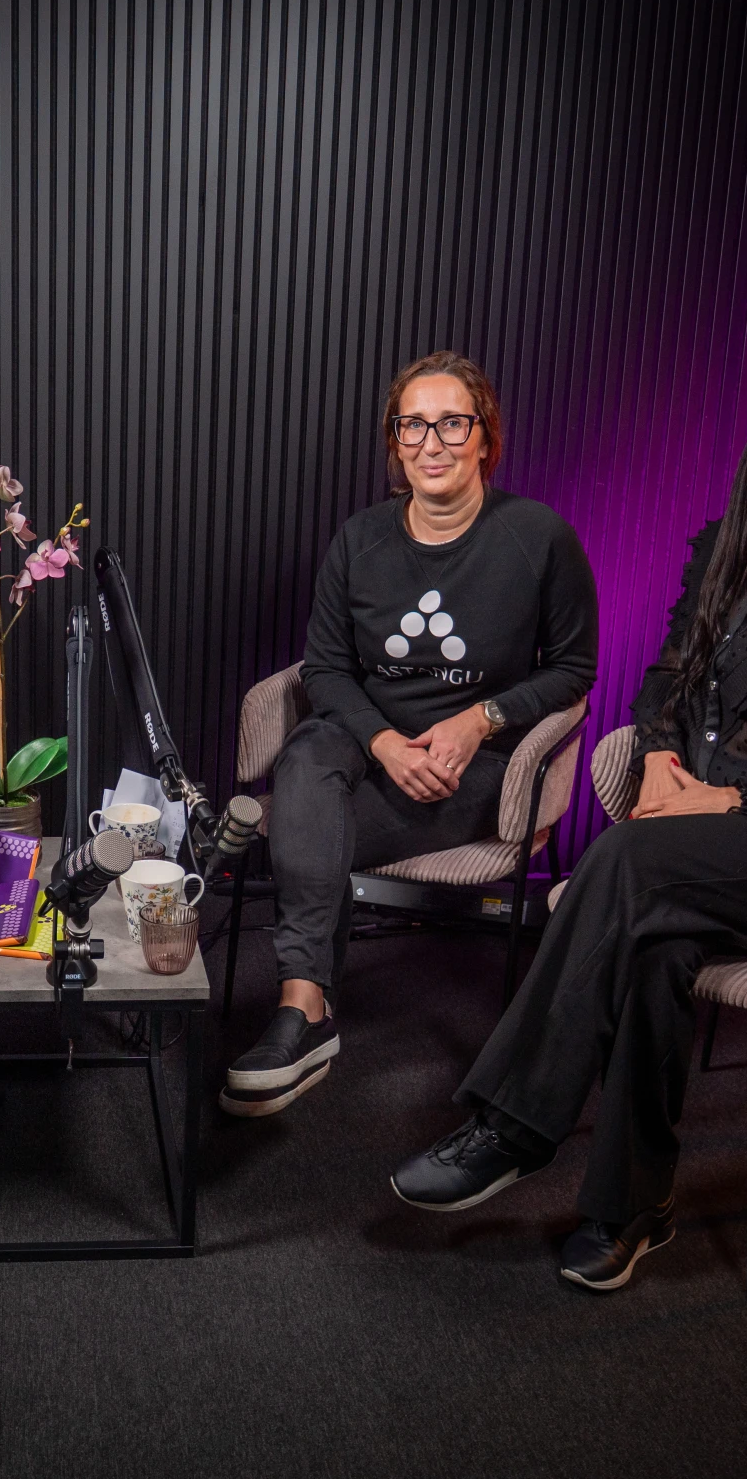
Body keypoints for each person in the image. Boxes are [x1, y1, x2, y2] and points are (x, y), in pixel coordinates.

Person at [391, 356, 747, 1291]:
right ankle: (633, 1207)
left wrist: (730, 800)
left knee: (629, 861)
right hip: (721, 857)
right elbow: (668, 685)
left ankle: (514, 1126)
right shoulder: (726, 554)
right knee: (654, 945)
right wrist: (655, 756)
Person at [223, 351, 599, 1117]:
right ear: (394, 442)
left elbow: (574, 669)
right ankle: (307, 1003)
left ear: (486, 437)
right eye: (412, 425)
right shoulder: (360, 539)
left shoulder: (538, 538)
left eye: (452, 423)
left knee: (303, 824)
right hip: (368, 746)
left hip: (476, 768)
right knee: (307, 753)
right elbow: (326, 670)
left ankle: (302, 1015)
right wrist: (384, 743)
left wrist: (479, 719)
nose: (432, 442)